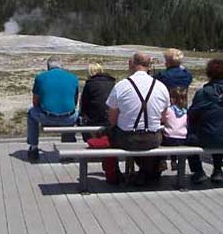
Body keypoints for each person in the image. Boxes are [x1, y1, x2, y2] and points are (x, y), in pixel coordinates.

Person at [106, 52, 170, 185]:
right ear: (149, 65)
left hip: (127, 138)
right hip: (153, 138)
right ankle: (148, 171)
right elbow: (164, 118)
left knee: (110, 134)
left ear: (131, 64)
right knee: (149, 139)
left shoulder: (121, 86)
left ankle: (116, 174)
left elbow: (112, 119)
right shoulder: (161, 86)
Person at [187, 59, 223, 184]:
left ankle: (198, 172)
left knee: (189, 137)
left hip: (210, 137)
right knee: (218, 128)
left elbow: (192, 114)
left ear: (209, 74)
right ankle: (217, 169)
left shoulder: (203, 93)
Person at [27, 56, 79, 162]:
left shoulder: (40, 77)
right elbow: (75, 101)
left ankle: (33, 147)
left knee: (31, 113)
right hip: (68, 118)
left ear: (48, 67)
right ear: (61, 66)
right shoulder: (73, 78)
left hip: (47, 117)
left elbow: (35, 102)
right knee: (74, 113)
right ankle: (68, 149)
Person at [79, 63, 115, 141]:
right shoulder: (112, 83)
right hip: (110, 119)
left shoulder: (89, 84)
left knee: (81, 120)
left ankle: (88, 141)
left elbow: (84, 105)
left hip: (95, 120)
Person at [160, 87, 188, 171]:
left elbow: (162, 119)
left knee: (161, 137)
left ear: (172, 99)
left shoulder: (168, 110)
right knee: (175, 142)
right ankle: (174, 161)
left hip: (169, 138)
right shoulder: (186, 112)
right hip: (182, 138)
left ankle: (162, 160)